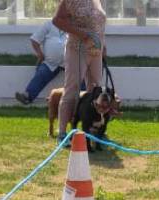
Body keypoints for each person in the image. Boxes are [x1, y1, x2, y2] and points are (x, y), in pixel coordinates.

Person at [53, 0, 106, 141]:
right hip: (77, 49)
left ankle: (94, 130)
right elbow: (57, 20)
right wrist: (82, 34)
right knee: (72, 89)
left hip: (95, 51)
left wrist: (103, 46)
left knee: (96, 89)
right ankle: (63, 134)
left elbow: (99, 25)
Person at [15, 20, 68, 105]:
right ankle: (27, 97)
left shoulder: (75, 24)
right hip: (51, 62)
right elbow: (34, 40)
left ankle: (84, 98)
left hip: (70, 62)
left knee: (81, 75)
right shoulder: (48, 24)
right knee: (42, 73)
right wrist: (40, 54)